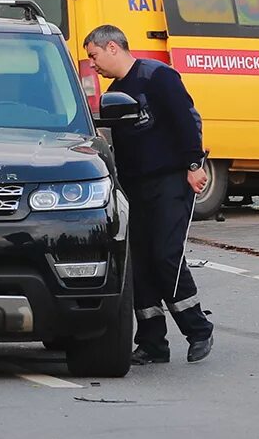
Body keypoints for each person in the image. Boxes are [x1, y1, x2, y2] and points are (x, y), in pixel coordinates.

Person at [83, 25, 215, 365]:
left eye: (94, 56)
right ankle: (153, 341)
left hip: (171, 180)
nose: (93, 65)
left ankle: (198, 330)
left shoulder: (157, 77)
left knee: (165, 255)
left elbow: (186, 120)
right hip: (134, 188)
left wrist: (193, 164)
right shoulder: (114, 93)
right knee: (139, 263)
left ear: (112, 47)